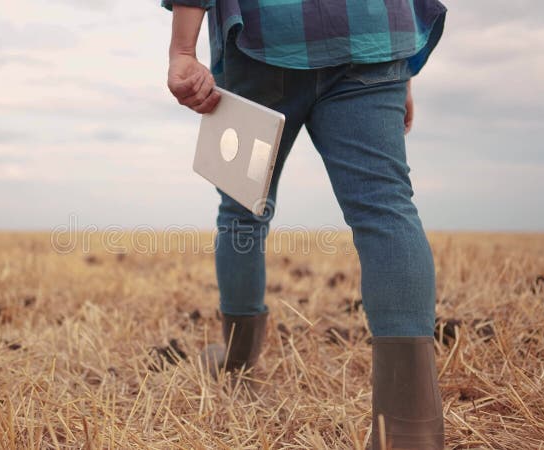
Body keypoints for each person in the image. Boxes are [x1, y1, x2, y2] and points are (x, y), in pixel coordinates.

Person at [161, 1, 447, 448]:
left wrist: (183, 48)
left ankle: (237, 363)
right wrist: (400, 66)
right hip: (374, 35)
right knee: (386, 210)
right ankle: (410, 429)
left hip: (262, 39)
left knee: (241, 211)